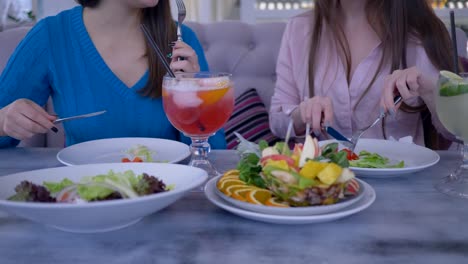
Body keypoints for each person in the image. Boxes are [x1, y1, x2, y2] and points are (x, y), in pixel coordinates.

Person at [0, 0, 227, 149]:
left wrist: (194, 98)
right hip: (83, 204)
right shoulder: (50, 36)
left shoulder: (182, 40)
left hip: (165, 201)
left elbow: (212, 153)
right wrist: (5, 121)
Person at [270, 0, 455, 149]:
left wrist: (430, 91)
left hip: (402, 185)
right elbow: (277, 121)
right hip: (323, 184)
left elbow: (455, 132)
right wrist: (301, 114)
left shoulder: (421, 33)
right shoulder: (299, 29)